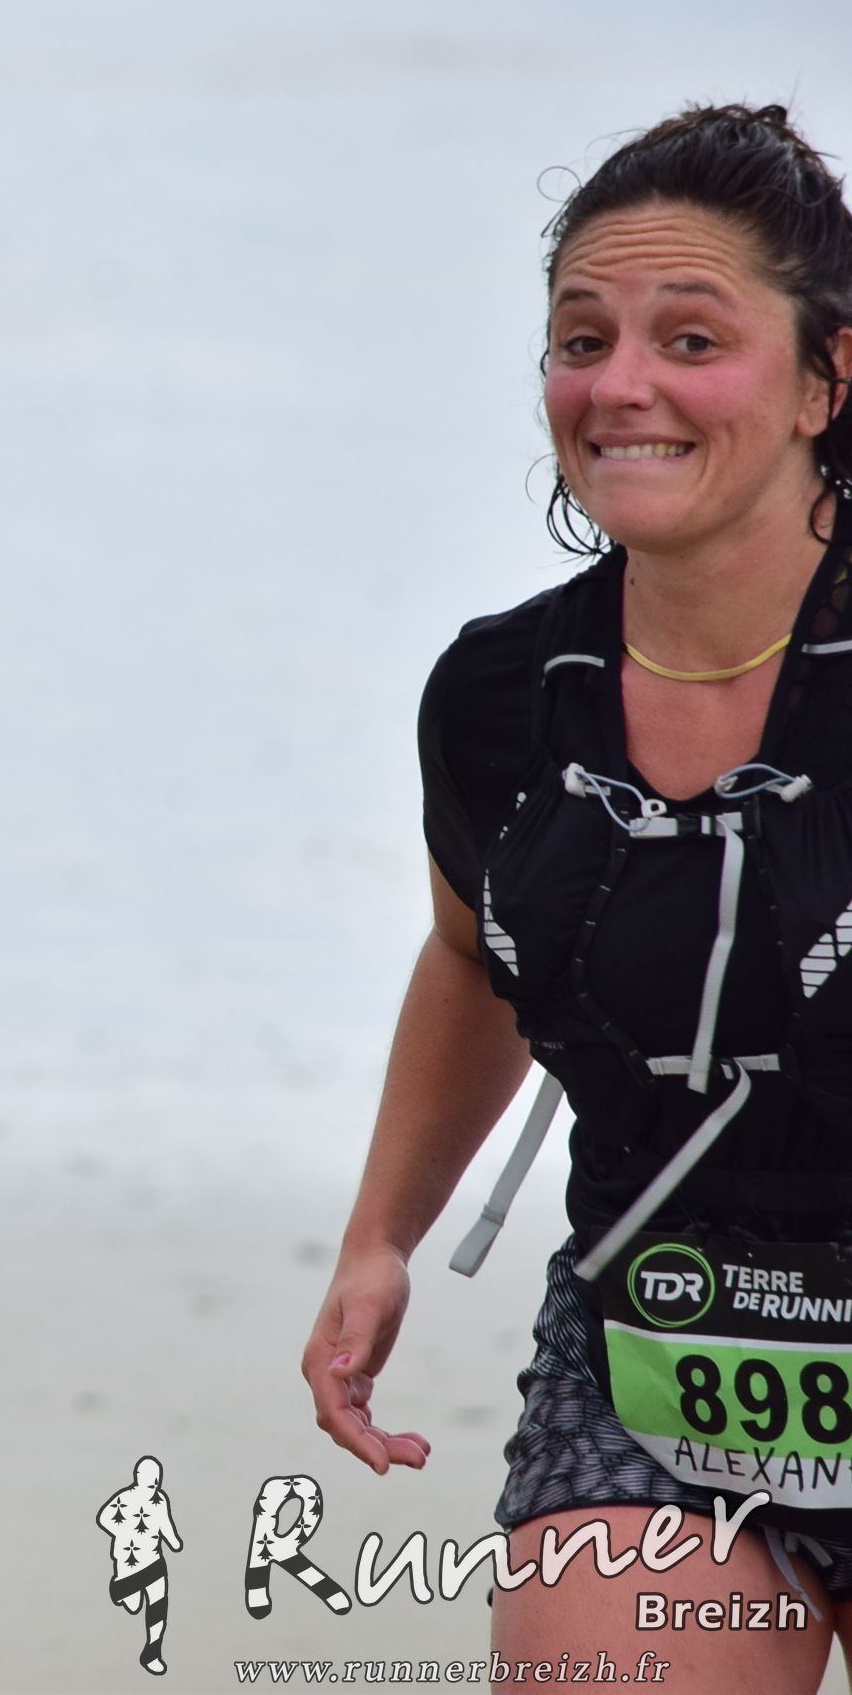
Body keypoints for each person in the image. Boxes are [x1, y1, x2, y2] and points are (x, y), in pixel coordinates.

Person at [303, 104, 852, 1686]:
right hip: (660, 1359)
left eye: (693, 339)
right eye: (582, 338)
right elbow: (470, 958)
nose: (620, 385)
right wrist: (380, 1236)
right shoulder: (502, 697)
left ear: (827, 379)